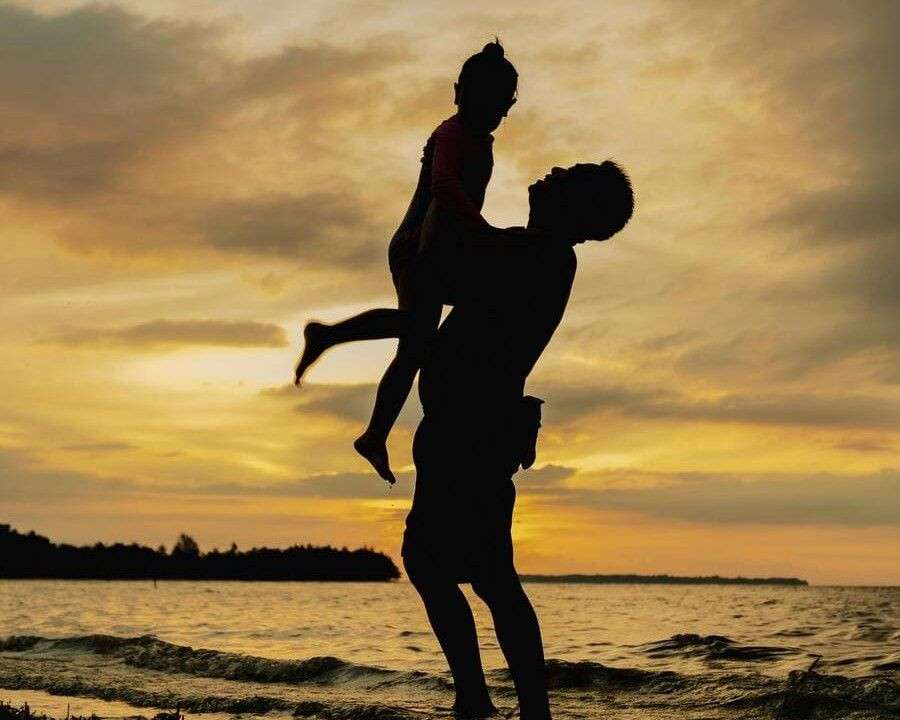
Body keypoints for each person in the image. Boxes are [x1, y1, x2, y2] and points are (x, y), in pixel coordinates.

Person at [403, 162, 634, 720]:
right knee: (484, 573)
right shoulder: (539, 252)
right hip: (474, 428)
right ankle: (509, 703)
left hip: (470, 430)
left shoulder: (537, 253)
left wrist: (435, 181)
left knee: (450, 567)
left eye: (565, 175)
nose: (551, 170)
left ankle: (495, 702)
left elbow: (443, 267)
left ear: (574, 208)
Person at [294, 40, 525, 484]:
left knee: (416, 344)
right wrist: (484, 232)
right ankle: (329, 338)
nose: (494, 115)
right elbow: (442, 187)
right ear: (458, 93)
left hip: (443, 250)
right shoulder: (451, 136)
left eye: (501, 108)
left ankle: (374, 433)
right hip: (420, 247)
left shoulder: (476, 141)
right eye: (486, 104)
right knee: (420, 333)